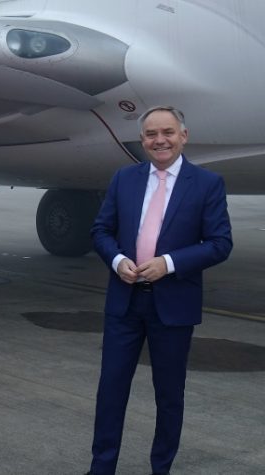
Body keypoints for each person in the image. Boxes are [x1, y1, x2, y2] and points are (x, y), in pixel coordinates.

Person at [86, 106, 232, 475]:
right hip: (125, 302)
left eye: (167, 132)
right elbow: (101, 231)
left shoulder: (207, 184)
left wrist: (168, 263)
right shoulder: (124, 179)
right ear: (143, 140)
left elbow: (219, 243)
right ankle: (101, 468)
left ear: (184, 135)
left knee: (169, 396)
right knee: (110, 391)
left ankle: (161, 468)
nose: (159, 140)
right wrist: (118, 261)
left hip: (173, 306)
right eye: (151, 134)